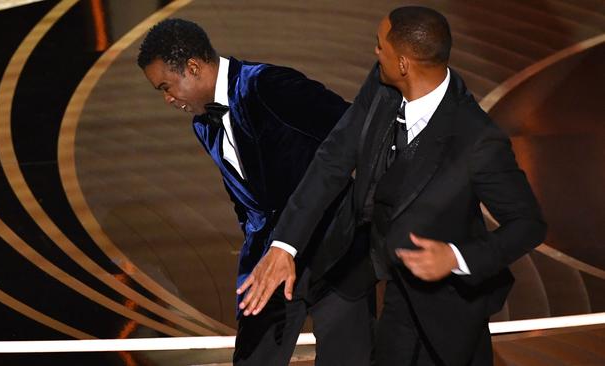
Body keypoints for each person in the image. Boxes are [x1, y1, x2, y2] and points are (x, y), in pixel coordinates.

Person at [238, 6, 547, 366]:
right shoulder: (384, 83)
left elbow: (529, 224)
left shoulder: (477, 140)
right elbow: (333, 159)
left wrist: (457, 258)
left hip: (445, 301)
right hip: (375, 265)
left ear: (404, 63)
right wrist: (284, 246)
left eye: (379, 46)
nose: (375, 52)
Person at [137, 18, 373, 366]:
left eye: (166, 87)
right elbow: (244, 198)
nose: (168, 99)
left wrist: (366, 212)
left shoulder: (269, 86)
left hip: (335, 249)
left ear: (192, 67)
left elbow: (355, 132)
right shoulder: (203, 124)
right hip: (268, 260)